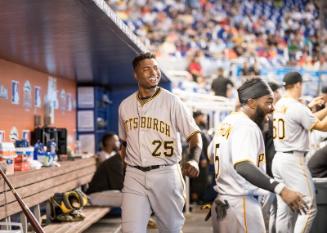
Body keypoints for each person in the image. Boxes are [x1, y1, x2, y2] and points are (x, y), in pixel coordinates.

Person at [208, 78, 307, 233]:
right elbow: (243, 166)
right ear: (252, 103)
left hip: (225, 203)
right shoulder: (247, 126)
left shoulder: (228, 120)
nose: (272, 108)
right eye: (268, 102)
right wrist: (281, 189)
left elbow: (210, 154)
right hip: (241, 206)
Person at [118, 52, 202, 233]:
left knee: (171, 229)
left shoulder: (172, 101)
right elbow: (124, 144)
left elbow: (194, 136)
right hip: (135, 175)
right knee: (130, 230)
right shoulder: (125, 106)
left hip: (166, 173)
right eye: (146, 69)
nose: (153, 73)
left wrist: (194, 159)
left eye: (155, 68)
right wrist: (125, 171)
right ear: (136, 75)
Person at [272, 71, 327, 233]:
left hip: (279, 159)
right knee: (309, 207)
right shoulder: (296, 106)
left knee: (284, 210)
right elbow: (322, 126)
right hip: (293, 161)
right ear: (297, 84)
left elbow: (308, 119)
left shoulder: (281, 104)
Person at [86, 133, 124, 207]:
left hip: (105, 193)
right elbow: (119, 186)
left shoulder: (118, 159)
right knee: (131, 198)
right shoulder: (115, 162)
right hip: (95, 196)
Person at [190, 110, 210, 204]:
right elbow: (197, 144)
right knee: (197, 179)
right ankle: (195, 198)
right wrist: (202, 158)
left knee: (203, 179)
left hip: (205, 157)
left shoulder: (203, 127)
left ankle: (201, 197)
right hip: (198, 158)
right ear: (197, 117)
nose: (203, 118)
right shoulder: (195, 128)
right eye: (202, 116)